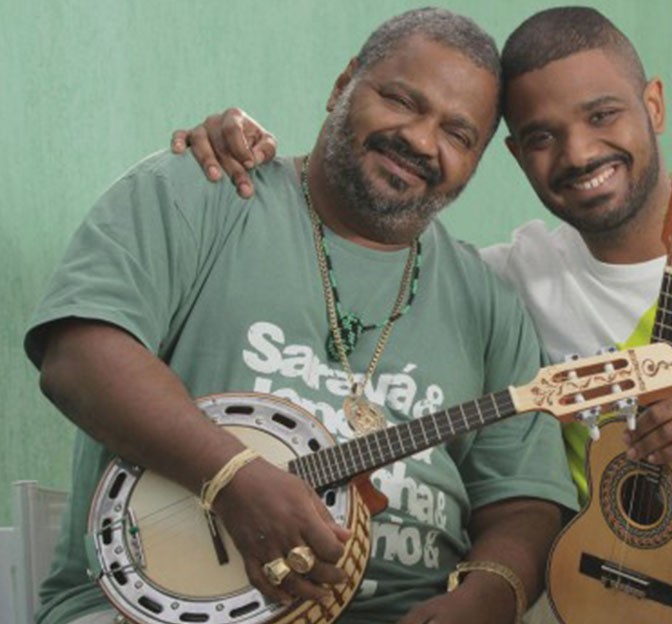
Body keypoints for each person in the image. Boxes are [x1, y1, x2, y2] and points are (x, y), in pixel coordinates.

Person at [174, 7, 672, 624]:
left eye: (602, 115)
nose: (577, 152)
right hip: (603, 607)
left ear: (654, 105)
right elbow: (367, 241)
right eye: (541, 137)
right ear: (511, 155)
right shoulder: (504, 282)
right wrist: (241, 154)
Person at [26, 8, 578, 624]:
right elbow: (78, 356)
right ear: (343, 86)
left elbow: (523, 502)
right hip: (159, 609)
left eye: (457, 134)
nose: (422, 141)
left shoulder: (489, 301)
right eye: (401, 101)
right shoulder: (203, 189)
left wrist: (489, 597)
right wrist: (230, 477)